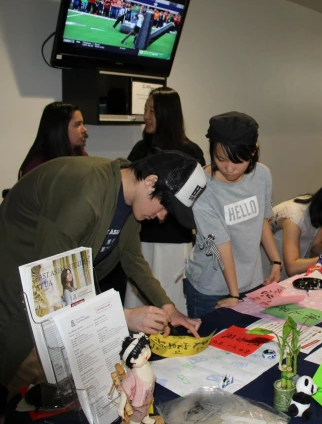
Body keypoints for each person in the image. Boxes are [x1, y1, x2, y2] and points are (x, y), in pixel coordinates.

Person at [0, 150, 206, 398]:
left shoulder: (130, 198)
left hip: (55, 296)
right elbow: (53, 281)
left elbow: (133, 259)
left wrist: (167, 306)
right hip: (17, 292)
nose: (162, 217)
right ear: (151, 181)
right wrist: (123, 317)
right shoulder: (85, 192)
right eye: (165, 207)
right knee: (21, 383)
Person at [183, 111, 282, 319]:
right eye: (221, 159)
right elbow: (222, 244)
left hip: (252, 282)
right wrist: (233, 294)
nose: (229, 168)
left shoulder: (262, 175)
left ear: (253, 151)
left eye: (238, 161)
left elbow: (261, 220)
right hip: (211, 287)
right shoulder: (201, 187)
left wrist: (275, 261)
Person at [125, 87, 205, 315]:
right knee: (138, 300)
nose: (146, 116)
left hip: (174, 243)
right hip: (140, 241)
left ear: (167, 114)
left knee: (172, 301)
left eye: (152, 110)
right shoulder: (140, 150)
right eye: (145, 110)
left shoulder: (190, 152)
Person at [263, 178, 322, 279]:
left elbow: (315, 246)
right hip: (268, 269)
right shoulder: (295, 218)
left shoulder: (318, 211)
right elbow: (292, 268)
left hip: (285, 266)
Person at [19, 102, 88, 179]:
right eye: (77, 124)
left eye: (83, 124)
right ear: (60, 128)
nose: (84, 129)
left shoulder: (82, 156)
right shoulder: (37, 167)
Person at [117, 333, 155, 424]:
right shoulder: (133, 376)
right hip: (138, 400)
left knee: (146, 408)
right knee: (137, 414)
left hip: (148, 395)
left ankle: (146, 418)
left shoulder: (147, 364)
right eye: (142, 354)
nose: (146, 353)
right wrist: (121, 407)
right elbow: (125, 391)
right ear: (132, 360)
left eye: (147, 348)